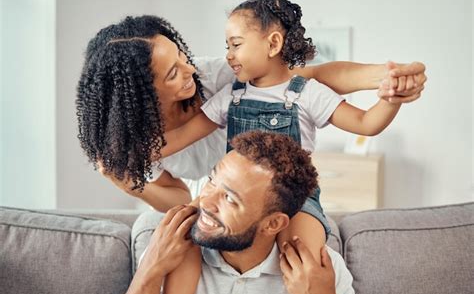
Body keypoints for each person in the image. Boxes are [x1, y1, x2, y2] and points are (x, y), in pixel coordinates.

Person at [159, 0, 415, 294]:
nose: (229, 56)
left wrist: (392, 99)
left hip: (297, 200)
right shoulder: (231, 96)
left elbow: (366, 123)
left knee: (301, 259)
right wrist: (128, 150)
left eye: (236, 44)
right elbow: (182, 135)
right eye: (226, 46)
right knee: (182, 234)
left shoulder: (307, 94)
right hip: (237, 193)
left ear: (273, 43)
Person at [76, 15, 427, 212]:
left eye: (181, 55)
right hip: (219, 197)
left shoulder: (216, 77)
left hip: (270, 185)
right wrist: (129, 184)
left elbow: (311, 77)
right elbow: (179, 198)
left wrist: (387, 76)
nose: (189, 70)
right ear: (139, 97)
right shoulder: (133, 140)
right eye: (172, 73)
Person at [110, 131, 357, 294]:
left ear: (272, 224)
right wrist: (150, 269)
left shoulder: (321, 272)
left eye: (229, 198)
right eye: (211, 181)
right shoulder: (170, 252)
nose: (205, 201)